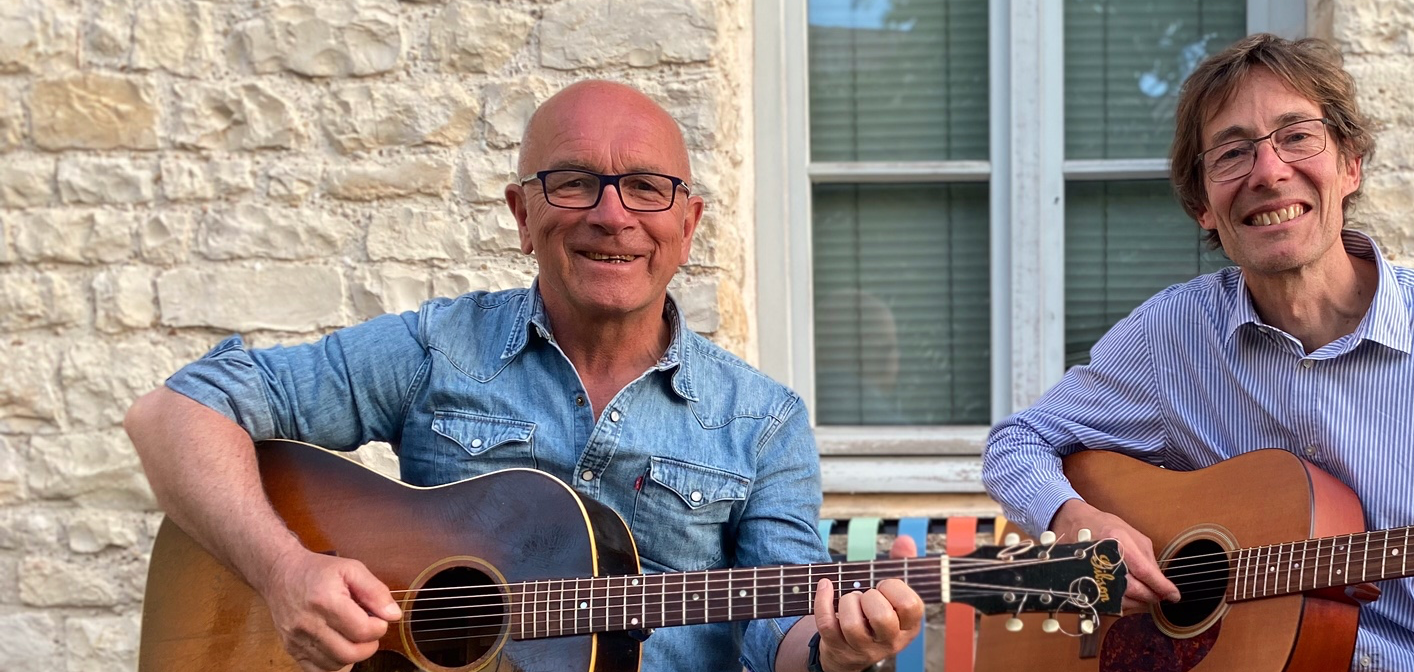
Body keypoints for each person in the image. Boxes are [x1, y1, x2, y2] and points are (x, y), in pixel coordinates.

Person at [125, 80, 922, 672]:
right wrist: (285, 571)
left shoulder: (764, 419)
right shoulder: (441, 347)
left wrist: (838, 648)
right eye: (574, 182)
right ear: (521, 214)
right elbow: (169, 416)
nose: (612, 216)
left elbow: (773, 629)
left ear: (687, 224)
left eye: (647, 188)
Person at [980, 34, 1414, 671]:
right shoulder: (1171, 336)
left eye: (1297, 137)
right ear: (1203, 207)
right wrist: (1078, 519)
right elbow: (1019, 443)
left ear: (1350, 165)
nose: (1269, 172)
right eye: (1231, 153)